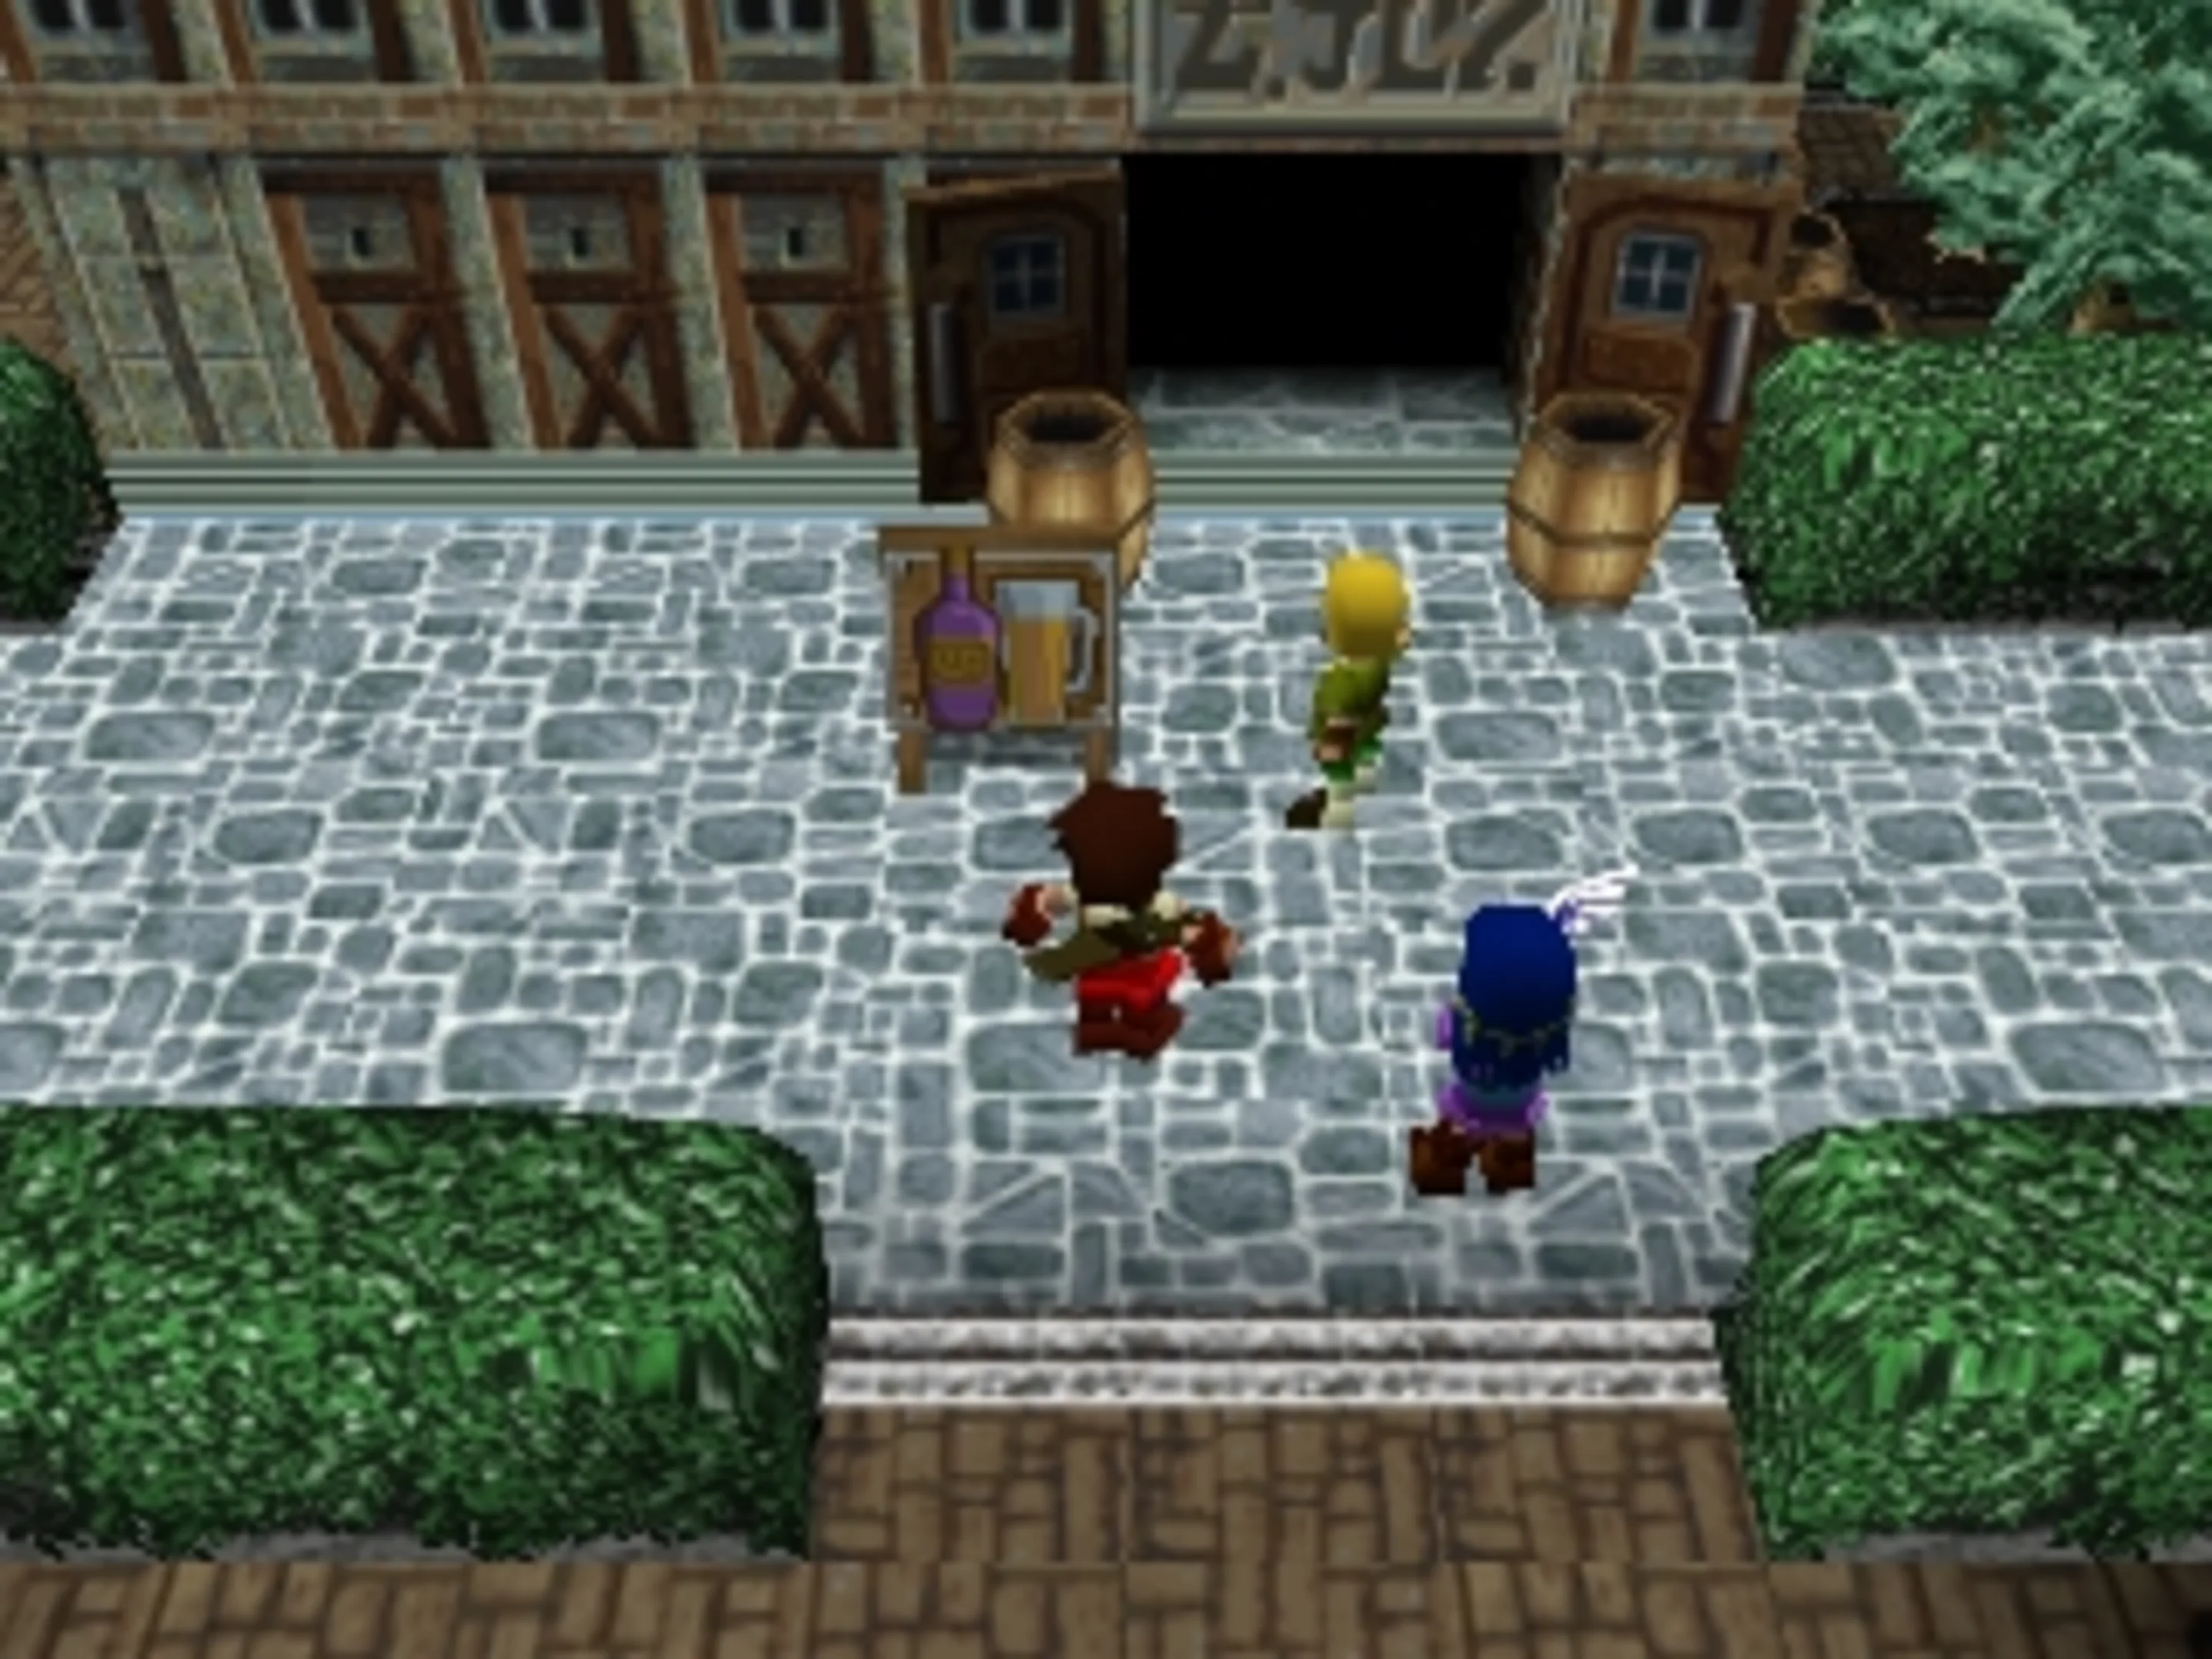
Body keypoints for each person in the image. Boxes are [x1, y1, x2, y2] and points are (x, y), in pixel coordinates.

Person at [1412, 872, 1631, 1197]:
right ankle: (1505, 1175)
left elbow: (1443, 1035)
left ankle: (1441, 1172)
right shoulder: (1543, 1038)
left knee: (1455, 1134)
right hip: (1518, 1106)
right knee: (1512, 1141)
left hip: (1469, 1100)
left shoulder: (1464, 1029)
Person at [1001, 780, 1240, 1061]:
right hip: (1119, 969)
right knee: (1112, 1006)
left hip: (1129, 971)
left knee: (1127, 1005)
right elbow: (1191, 931)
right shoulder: (1110, 898)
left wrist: (1033, 913)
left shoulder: (1147, 905)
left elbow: (1191, 932)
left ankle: (1119, 1032)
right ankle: (1113, 1032)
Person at [1285, 551, 1412, 830]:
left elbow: (1339, 721)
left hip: (1345, 739)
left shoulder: (1341, 680)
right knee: (1366, 750)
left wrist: (1329, 746)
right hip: (1370, 724)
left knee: (1339, 776)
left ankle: (1338, 812)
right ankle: (1365, 775)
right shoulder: (1379, 662)